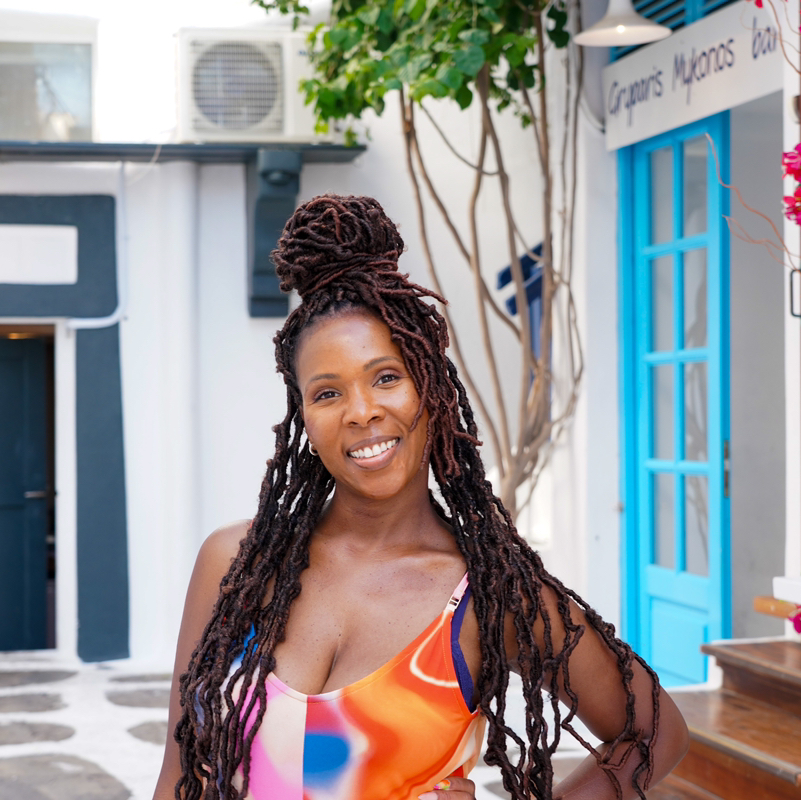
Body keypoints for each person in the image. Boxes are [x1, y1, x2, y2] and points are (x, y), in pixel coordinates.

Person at [152, 194, 689, 800]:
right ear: (304, 416)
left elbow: (655, 732)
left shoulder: (487, 592)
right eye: (327, 393)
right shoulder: (236, 563)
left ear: (431, 389)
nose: (361, 412)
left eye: (386, 377)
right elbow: (177, 777)